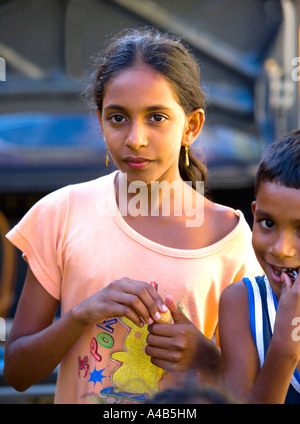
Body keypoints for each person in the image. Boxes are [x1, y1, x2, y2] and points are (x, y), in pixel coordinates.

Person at [4, 27, 261, 404]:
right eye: (118, 118)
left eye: (156, 118)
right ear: (100, 121)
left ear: (191, 126)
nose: (135, 138)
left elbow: (260, 386)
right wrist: (80, 315)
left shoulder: (231, 238)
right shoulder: (61, 212)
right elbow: (17, 373)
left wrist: (206, 356)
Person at [219, 130, 300, 404]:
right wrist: (284, 350)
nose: (280, 249)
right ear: (254, 214)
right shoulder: (242, 302)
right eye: (268, 223)